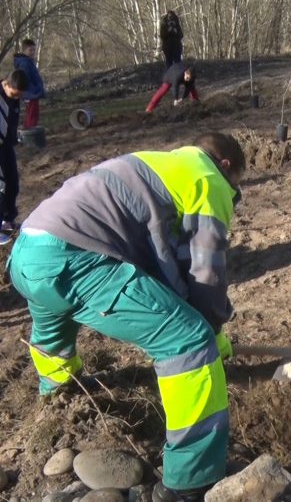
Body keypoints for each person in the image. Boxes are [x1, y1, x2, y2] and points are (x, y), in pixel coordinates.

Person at [7, 132, 245, 502]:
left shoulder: (160, 164)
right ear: (226, 166)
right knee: (188, 340)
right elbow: (206, 269)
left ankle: (57, 389)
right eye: (237, 186)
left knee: (53, 320)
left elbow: (161, 261)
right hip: (73, 260)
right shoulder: (206, 178)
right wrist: (211, 329)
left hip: (27, 253)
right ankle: (190, 479)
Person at [0, 70, 28, 245]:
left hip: (7, 145)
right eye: (14, 94)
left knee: (12, 183)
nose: (16, 97)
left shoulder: (14, 97)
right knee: (0, 186)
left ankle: (8, 220)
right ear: (6, 84)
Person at [13, 39, 45, 129]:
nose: (33, 52)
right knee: (32, 115)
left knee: (32, 114)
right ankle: (29, 135)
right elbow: (24, 80)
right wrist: (33, 90)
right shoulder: (25, 63)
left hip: (32, 93)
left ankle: (28, 132)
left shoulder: (28, 62)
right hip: (30, 94)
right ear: (24, 50)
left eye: (34, 50)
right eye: (30, 50)